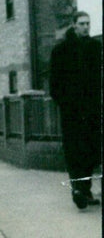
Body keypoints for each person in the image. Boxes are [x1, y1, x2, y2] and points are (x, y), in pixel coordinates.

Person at [48, 11, 102, 210]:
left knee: (91, 150)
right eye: (82, 23)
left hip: (93, 110)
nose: (86, 27)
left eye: (88, 23)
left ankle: (85, 191)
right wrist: (66, 103)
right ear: (74, 25)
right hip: (72, 113)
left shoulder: (96, 47)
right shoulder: (61, 50)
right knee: (74, 151)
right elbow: (54, 84)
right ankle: (78, 190)